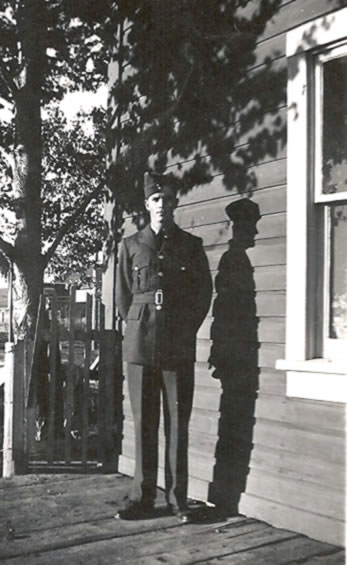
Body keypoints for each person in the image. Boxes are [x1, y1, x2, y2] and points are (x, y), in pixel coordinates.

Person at [116, 171, 212, 522]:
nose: (163, 205)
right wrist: (141, 324)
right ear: (147, 204)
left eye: (169, 199)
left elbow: (203, 295)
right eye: (157, 199)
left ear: (176, 203)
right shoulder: (129, 246)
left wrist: (184, 329)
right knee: (144, 423)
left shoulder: (190, 245)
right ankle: (142, 498)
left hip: (177, 343)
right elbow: (124, 299)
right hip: (140, 344)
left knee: (176, 423)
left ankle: (177, 500)